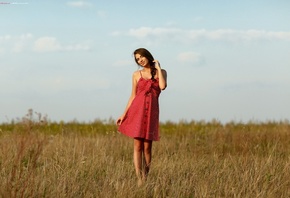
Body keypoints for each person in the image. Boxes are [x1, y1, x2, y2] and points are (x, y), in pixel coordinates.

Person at [116, 48, 167, 185]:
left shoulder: (161, 73)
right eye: (137, 59)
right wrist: (124, 114)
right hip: (137, 111)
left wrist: (158, 67)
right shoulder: (136, 75)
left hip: (151, 112)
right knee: (137, 146)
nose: (140, 60)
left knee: (147, 147)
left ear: (147, 55)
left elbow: (162, 86)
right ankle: (140, 179)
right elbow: (133, 96)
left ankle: (146, 176)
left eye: (141, 57)